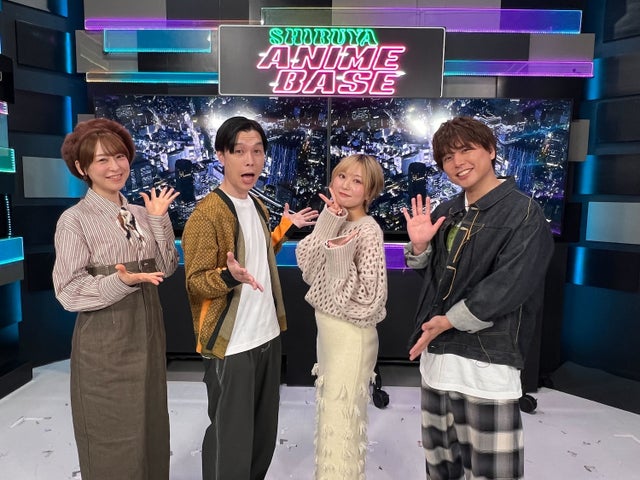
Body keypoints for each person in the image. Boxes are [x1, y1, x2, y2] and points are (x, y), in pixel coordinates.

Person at [402, 116, 554, 480]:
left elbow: (511, 284)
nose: (457, 162)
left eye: (466, 150)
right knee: (441, 468)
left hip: (487, 365)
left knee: (491, 472)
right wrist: (420, 248)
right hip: (439, 363)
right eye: (447, 157)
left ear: (491, 150)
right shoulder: (448, 211)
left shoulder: (523, 212)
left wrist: (449, 320)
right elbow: (439, 280)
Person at [181, 116, 318, 480]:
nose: (250, 161)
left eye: (257, 152)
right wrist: (229, 276)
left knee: (261, 437)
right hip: (232, 343)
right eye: (239, 151)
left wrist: (284, 228)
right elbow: (195, 283)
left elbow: (259, 254)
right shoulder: (207, 215)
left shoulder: (256, 205)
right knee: (231, 440)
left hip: (267, 335)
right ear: (221, 155)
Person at [52, 118, 181, 479]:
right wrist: (120, 282)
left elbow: (167, 267)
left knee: (151, 429)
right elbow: (68, 291)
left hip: (148, 335)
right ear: (83, 168)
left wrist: (159, 221)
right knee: (110, 435)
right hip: (104, 342)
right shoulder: (74, 220)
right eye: (102, 160)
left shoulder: (140, 213)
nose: (115, 167)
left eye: (120, 156)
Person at [295, 153, 388, 479]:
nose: (346, 185)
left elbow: (370, 300)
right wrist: (327, 224)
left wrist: (339, 256)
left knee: (342, 417)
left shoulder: (368, 230)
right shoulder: (335, 220)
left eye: (357, 181)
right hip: (328, 331)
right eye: (342, 176)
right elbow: (308, 268)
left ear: (370, 192)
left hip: (352, 335)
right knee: (330, 413)